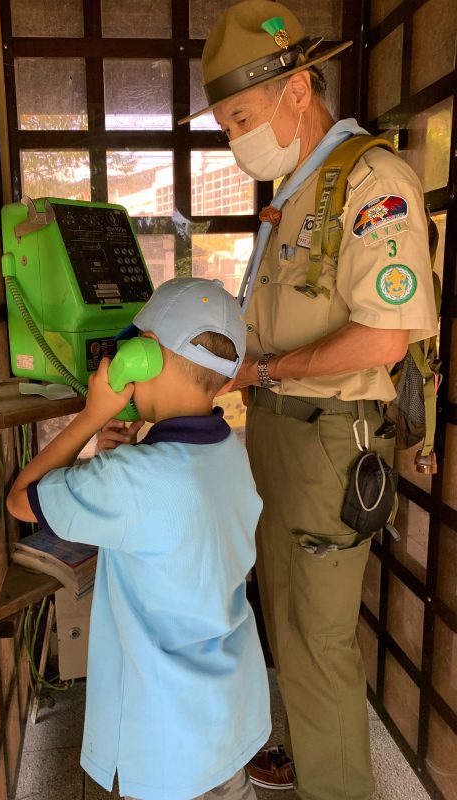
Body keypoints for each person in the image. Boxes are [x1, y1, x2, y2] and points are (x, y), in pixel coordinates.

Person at [175, 2, 439, 799]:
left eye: (243, 118)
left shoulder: (371, 180)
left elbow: (384, 339)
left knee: (319, 638)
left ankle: (340, 788)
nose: (236, 140)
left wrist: (266, 372)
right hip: (282, 432)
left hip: (332, 440)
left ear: (297, 89)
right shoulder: (299, 187)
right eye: (226, 126)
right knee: (286, 617)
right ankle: (308, 753)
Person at [7, 277, 271, 800]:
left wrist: (92, 415)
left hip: (167, 742)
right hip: (229, 718)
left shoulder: (133, 479)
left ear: (143, 355)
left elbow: (22, 499)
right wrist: (117, 458)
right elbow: (161, 514)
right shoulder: (229, 455)